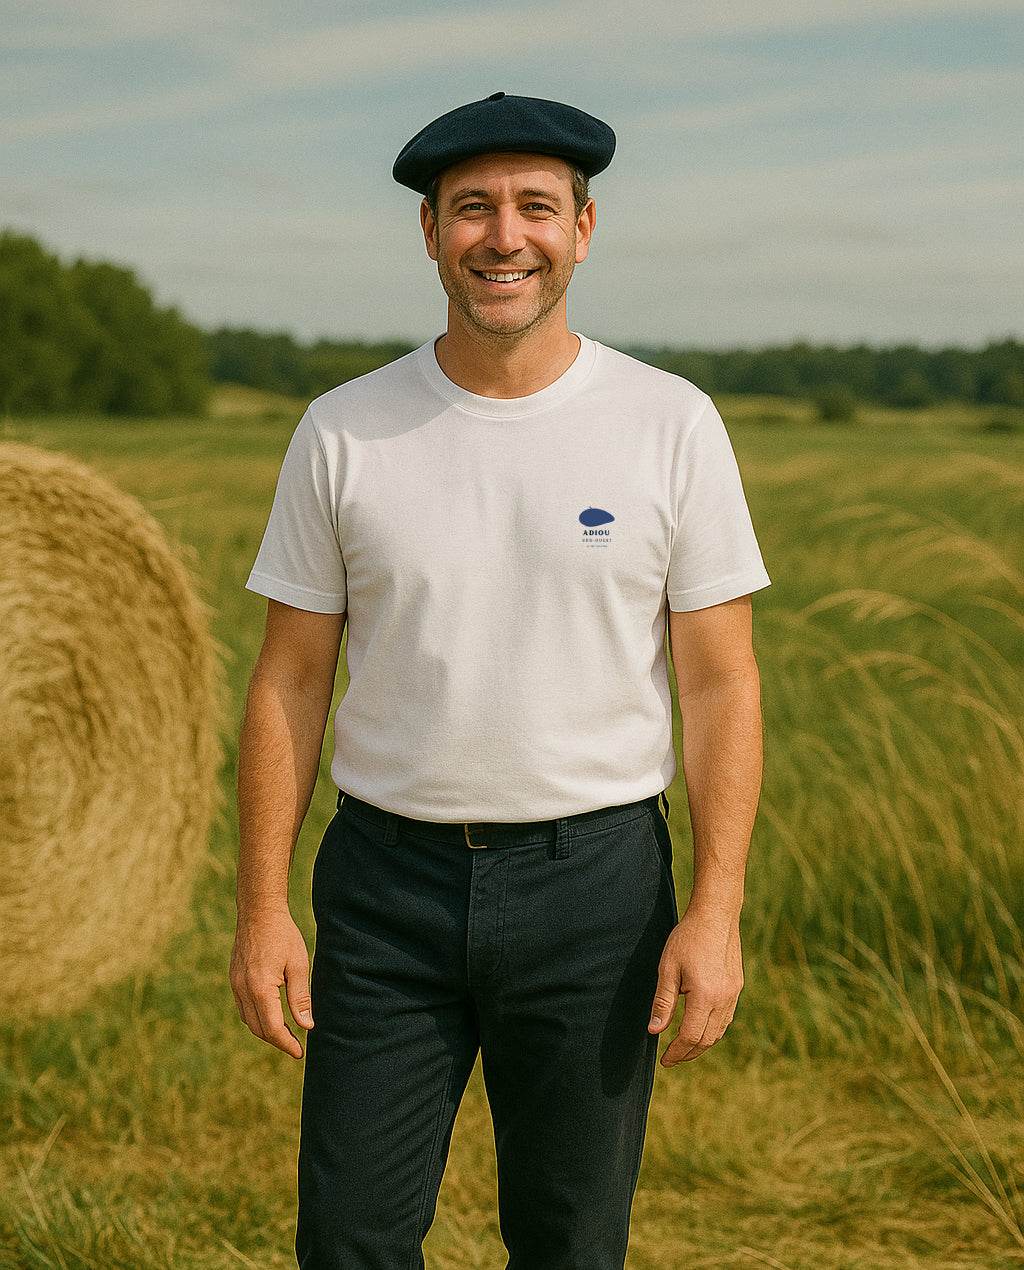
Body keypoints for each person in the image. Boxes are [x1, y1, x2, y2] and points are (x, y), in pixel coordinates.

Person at [231, 90, 772, 1270]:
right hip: (385, 887)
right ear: (430, 234)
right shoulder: (342, 430)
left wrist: (715, 909)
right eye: (471, 208)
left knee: (569, 1240)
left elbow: (722, 685)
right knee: (349, 1237)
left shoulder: (669, 424)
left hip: (598, 889)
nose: (502, 235)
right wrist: (263, 905)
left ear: (585, 228)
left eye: (535, 206)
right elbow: (288, 679)